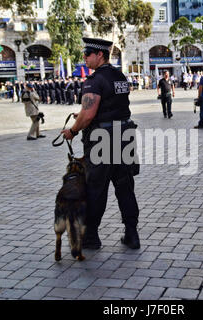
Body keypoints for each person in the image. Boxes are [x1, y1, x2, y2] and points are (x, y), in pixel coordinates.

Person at [61, 37, 140, 250]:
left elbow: (88, 114)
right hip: (124, 136)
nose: (84, 58)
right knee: (125, 187)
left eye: (87, 54)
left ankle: (91, 237)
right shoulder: (120, 76)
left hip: (102, 139)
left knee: (96, 188)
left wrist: (72, 130)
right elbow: (111, 105)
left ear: (100, 55)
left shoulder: (94, 81)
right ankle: (132, 234)